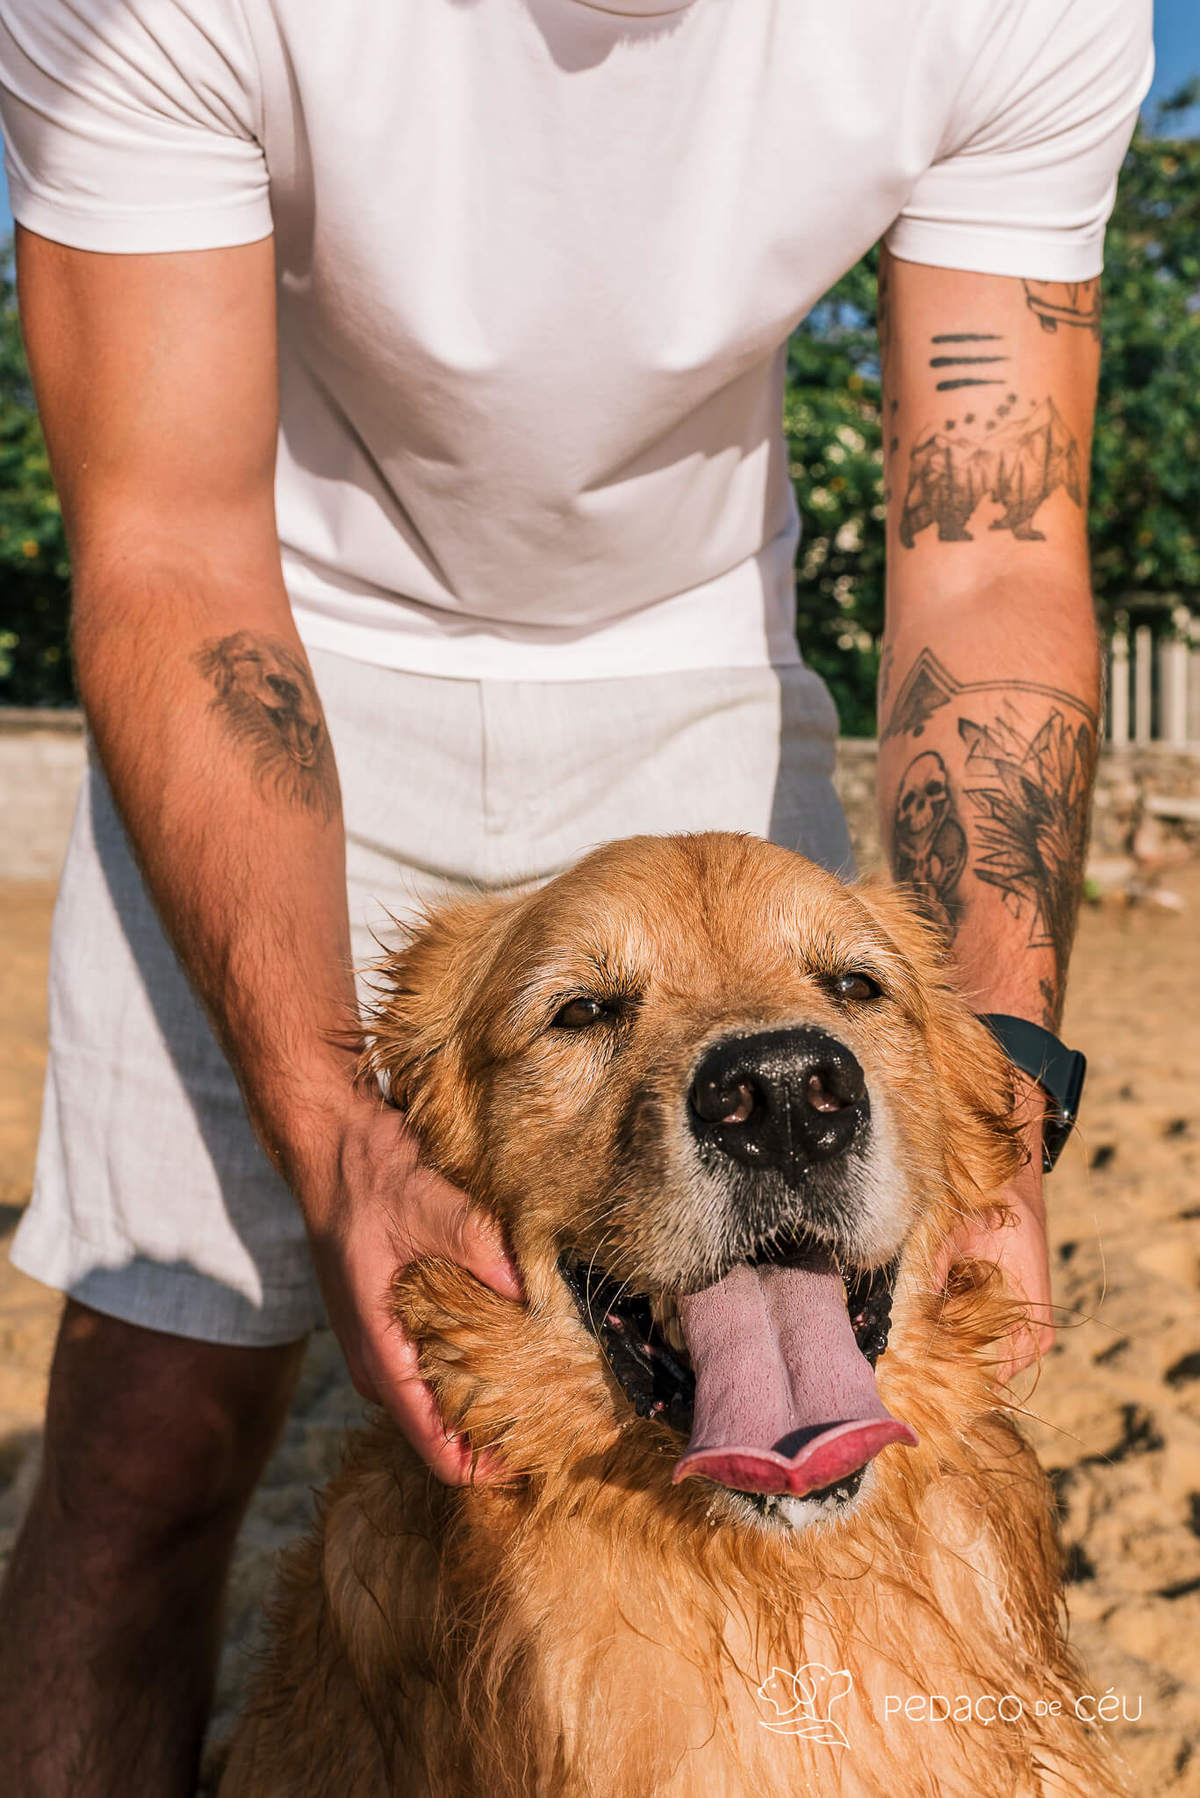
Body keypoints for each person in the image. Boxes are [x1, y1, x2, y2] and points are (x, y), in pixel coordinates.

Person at [0, 0, 1152, 1789]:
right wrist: (328, 1127)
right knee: (145, 1449)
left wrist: (997, 1062)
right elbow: (165, 542)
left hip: (691, 661)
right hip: (276, 645)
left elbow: (992, 547)